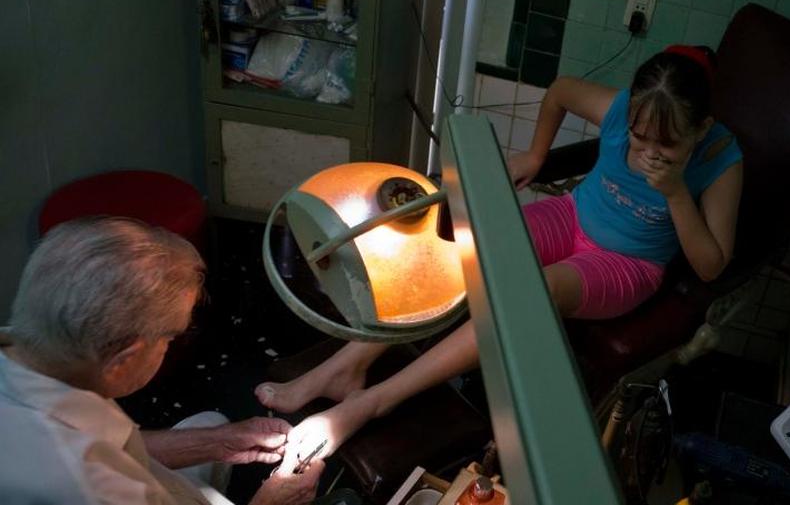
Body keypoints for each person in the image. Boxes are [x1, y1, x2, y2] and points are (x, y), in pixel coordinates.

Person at [258, 44, 744, 464]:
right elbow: (559, 91)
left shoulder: (721, 158)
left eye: (668, 144)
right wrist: (535, 154)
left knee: (537, 289)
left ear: (701, 129)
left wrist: (678, 193)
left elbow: (711, 264)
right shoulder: (622, 110)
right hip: (573, 217)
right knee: (479, 249)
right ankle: (347, 366)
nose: (648, 151)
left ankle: (373, 403)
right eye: (640, 137)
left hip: (626, 263)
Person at [0, 217, 325, 505]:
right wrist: (272, 501)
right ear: (123, 360)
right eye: (170, 338)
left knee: (211, 424)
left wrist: (217, 443)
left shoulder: (36, 357)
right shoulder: (90, 489)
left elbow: (112, 446)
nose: (170, 346)